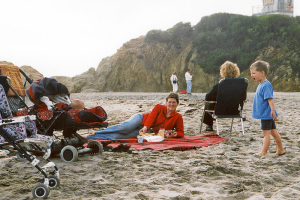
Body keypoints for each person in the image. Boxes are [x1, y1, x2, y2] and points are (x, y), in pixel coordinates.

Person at [80, 93, 184, 140]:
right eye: (169, 102)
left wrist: (174, 134)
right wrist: (145, 127)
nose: (171, 104)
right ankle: (97, 132)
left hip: (149, 132)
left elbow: (181, 132)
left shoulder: (178, 117)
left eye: (174, 102)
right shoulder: (159, 107)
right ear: (166, 102)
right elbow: (151, 117)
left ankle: (88, 137)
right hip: (141, 120)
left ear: (177, 104)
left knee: (119, 136)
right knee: (125, 128)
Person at [250, 60, 285, 156]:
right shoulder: (262, 84)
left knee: (266, 134)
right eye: (251, 73)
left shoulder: (266, 85)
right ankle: (280, 150)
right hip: (267, 114)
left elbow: (270, 99)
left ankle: (264, 152)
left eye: (253, 73)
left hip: (267, 114)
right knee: (274, 132)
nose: (251, 75)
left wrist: (273, 110)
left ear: (262, 73)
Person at [203, 61, 240, 131]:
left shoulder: (220, 85)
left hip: (220, 110)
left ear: (223, 72)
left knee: (208, 103)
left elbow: (208, 97)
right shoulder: (240, 85)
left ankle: (209, 125)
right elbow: (242, 98)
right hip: (234, 111)